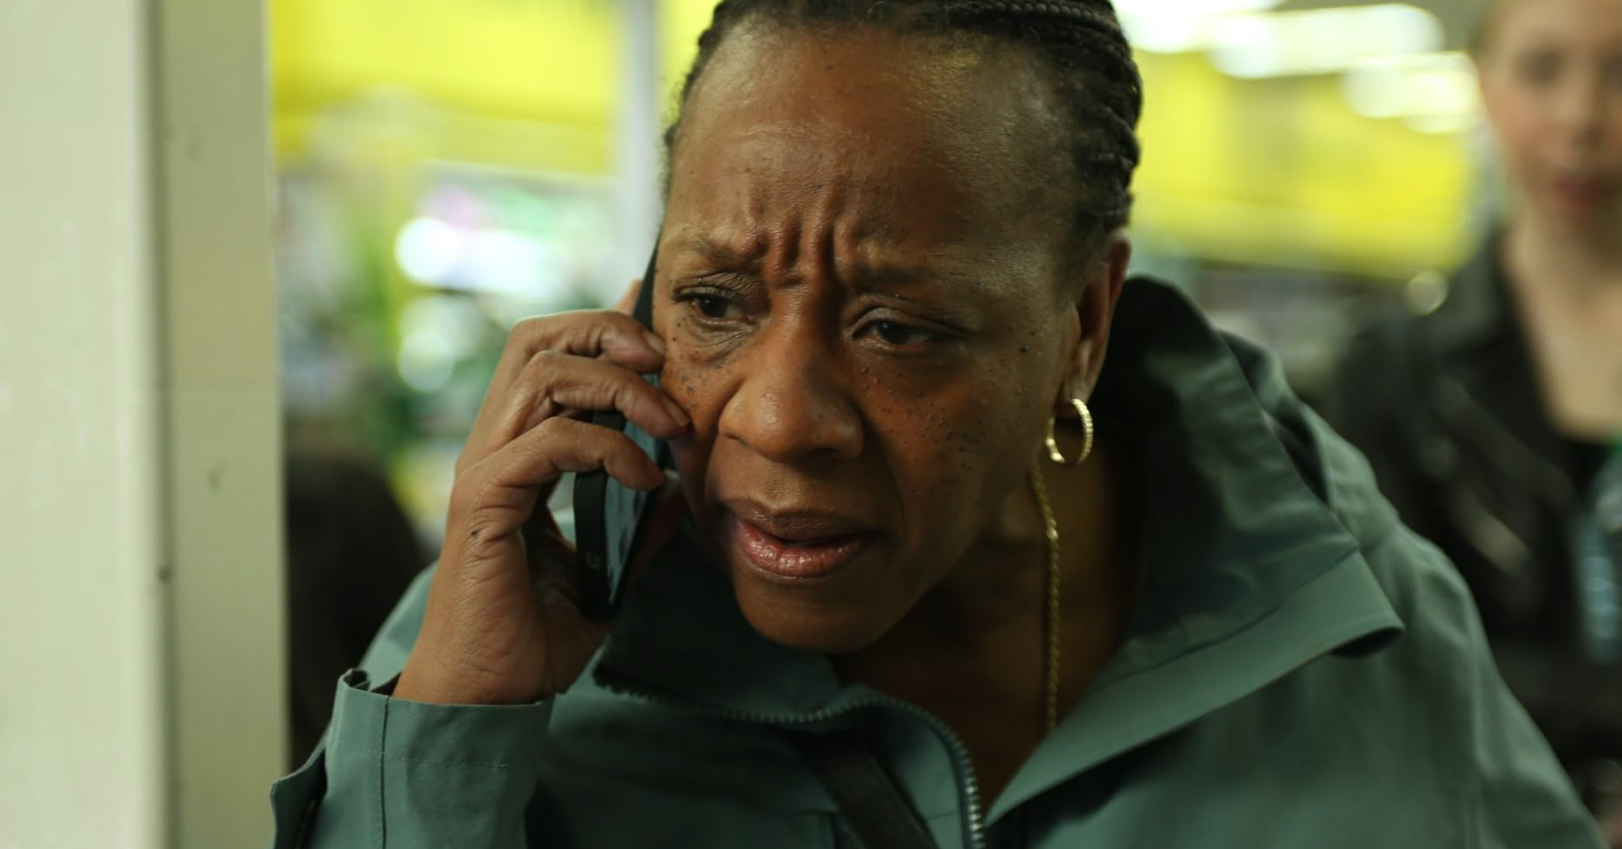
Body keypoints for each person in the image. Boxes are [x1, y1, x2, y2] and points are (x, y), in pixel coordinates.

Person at [269, 1, 1606, 846]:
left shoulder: (1341, 612)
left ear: (1083, 322)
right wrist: (456, 718)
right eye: (716, 302)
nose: (782, 419)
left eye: (898, 328)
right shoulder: (498, 640)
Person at [1327, 0, 1622, 835]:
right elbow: (1387, 647)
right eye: (1542, 69)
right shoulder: (1391, 373)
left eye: (1620, 71)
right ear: (1484, 87)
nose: (1581, 117)